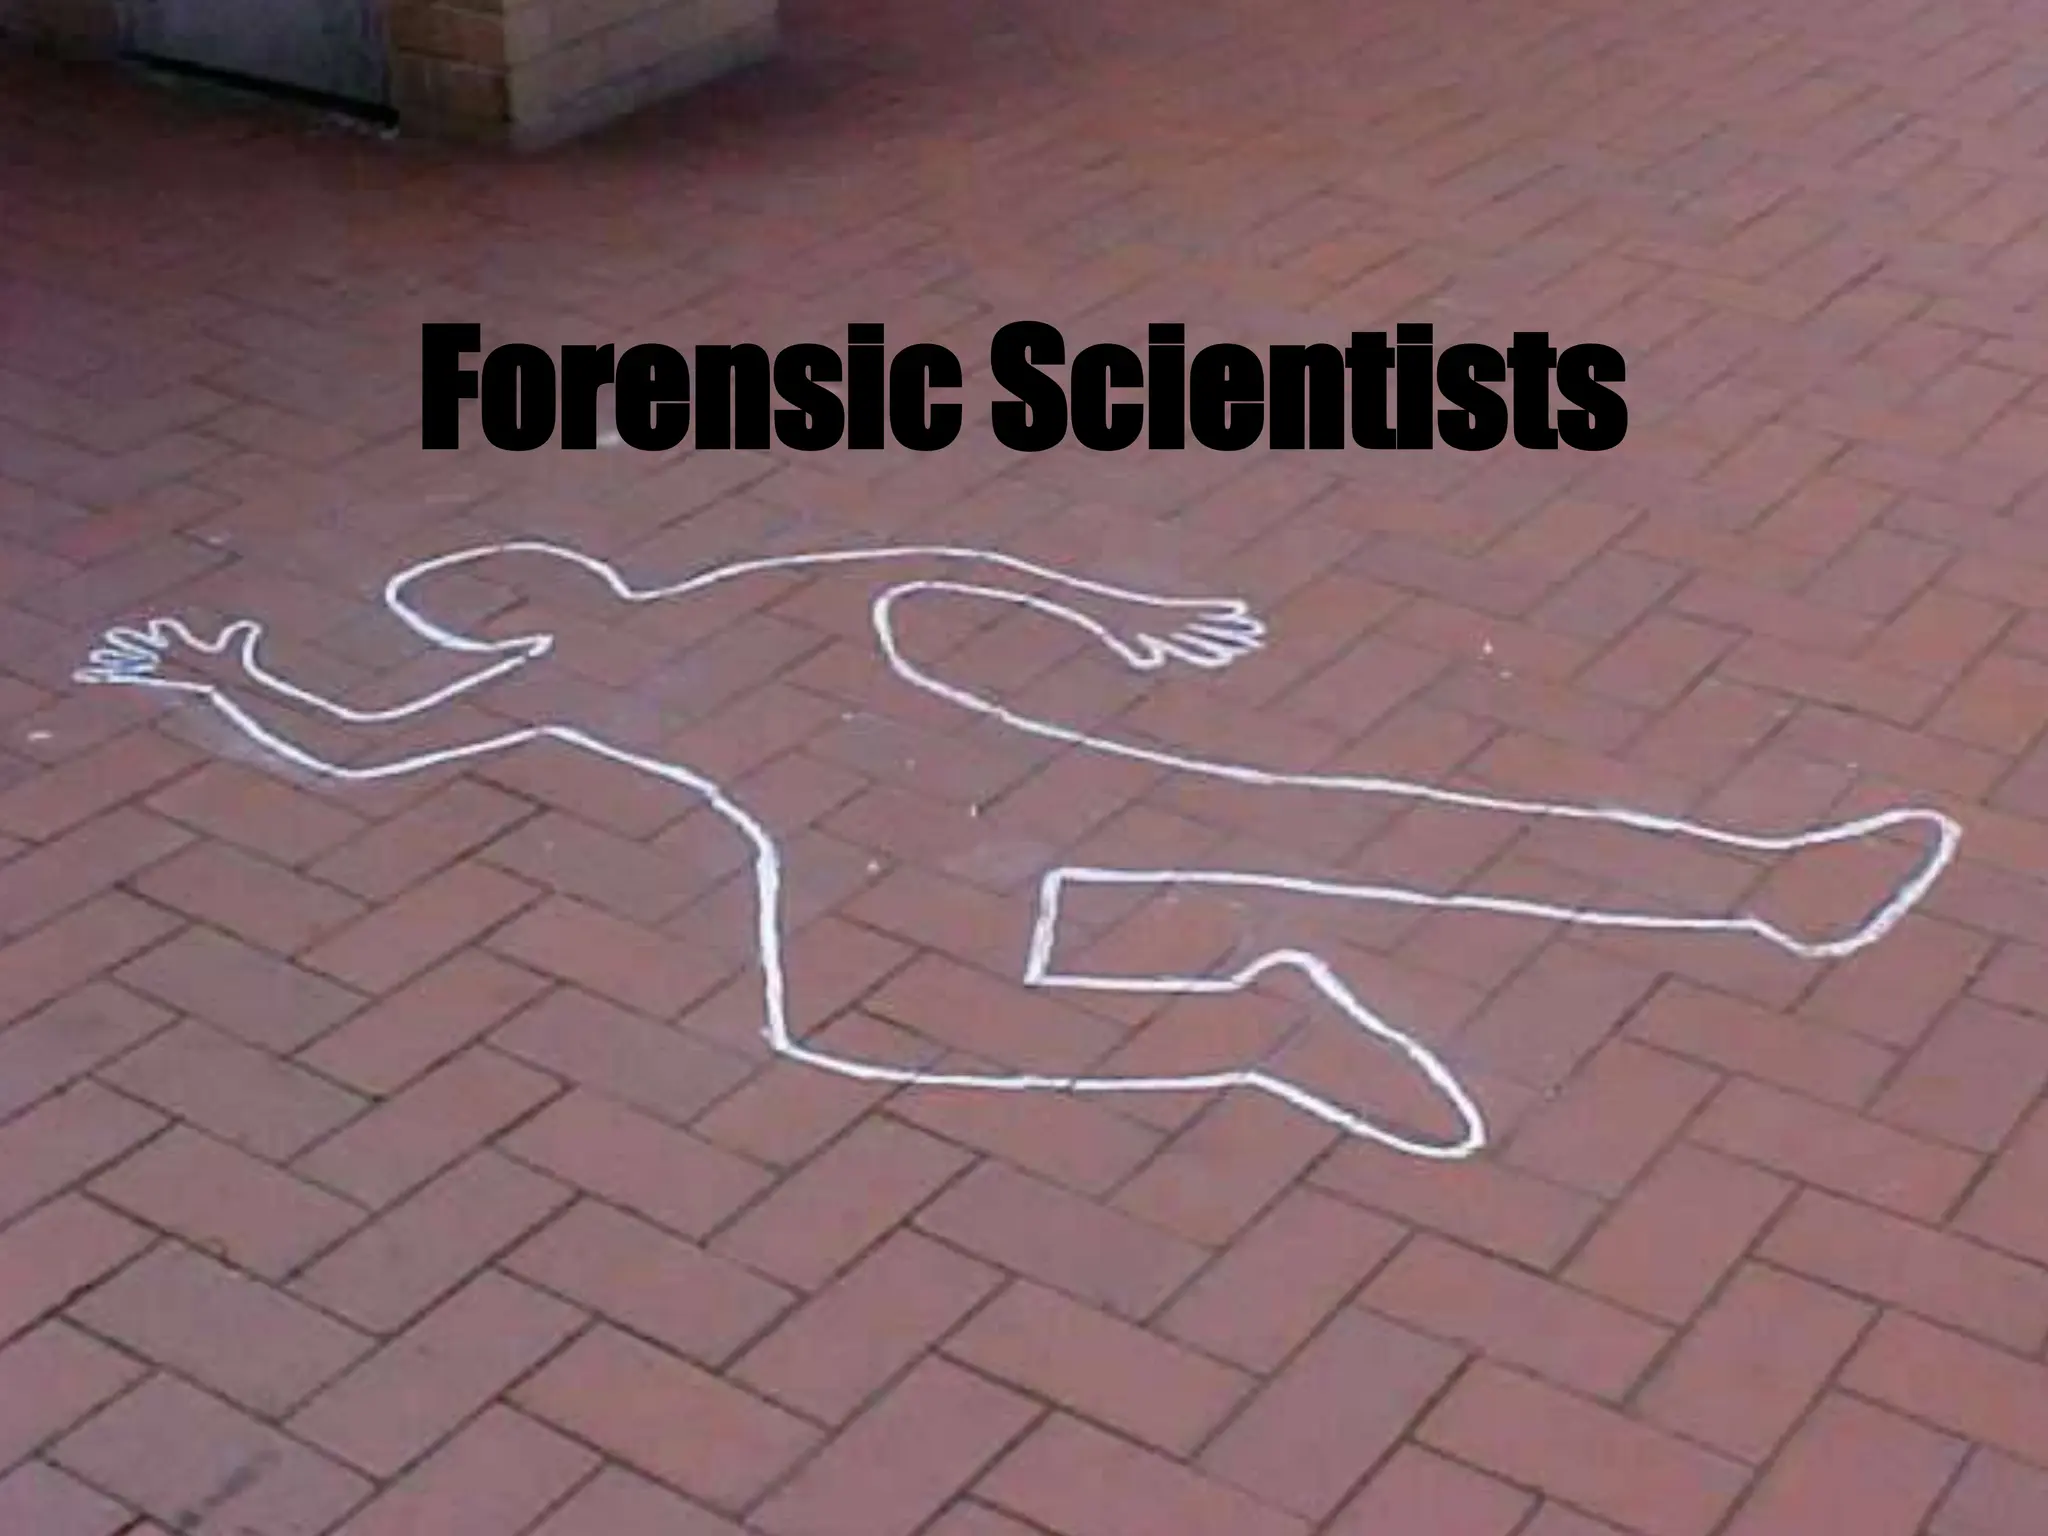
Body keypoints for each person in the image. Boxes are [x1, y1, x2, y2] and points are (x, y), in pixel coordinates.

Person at [76, 538, 1961, 1159]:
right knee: (1359, 834)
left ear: (532, 603)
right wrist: (1114, 613)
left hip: (886, 856)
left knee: (851, 1023)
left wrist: (221, 671)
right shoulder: (716, 599)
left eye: (470, 617)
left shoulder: (570, 665)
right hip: (993, 801)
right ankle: (1758, 888)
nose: (469, 640)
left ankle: (1261, 1024)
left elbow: (358, 739)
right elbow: (937, 567)